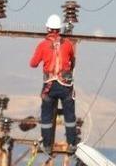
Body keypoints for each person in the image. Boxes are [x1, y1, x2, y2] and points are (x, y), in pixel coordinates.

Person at [29, 14, 77, 155]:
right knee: (69, 116)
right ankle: (72, 144)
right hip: (65, 86)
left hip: (49, 86)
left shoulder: (43, 45)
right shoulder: (67, 44)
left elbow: (33, 64)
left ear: (48, 28)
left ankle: (47, 145)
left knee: (46, 117)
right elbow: (72, 60)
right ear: (59, 29)